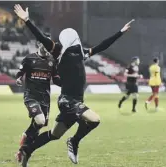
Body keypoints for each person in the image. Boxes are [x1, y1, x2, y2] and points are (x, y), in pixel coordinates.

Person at [14, 4, 133, 167]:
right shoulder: (59, 52)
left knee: (53, 135)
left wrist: (120, 33)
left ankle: (27, 150)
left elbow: (102, 46)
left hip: (73, 101)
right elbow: (41, 37)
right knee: (95, 120)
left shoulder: (81, 52)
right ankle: (74, 141)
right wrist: (27, 20)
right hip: (68, 101)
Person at [15, 38, 61, 163]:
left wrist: (68, 84)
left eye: (50, 47)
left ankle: (23, 151)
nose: (48, 49)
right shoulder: (29, 59)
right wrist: (19, 79)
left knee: (38, 127)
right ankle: (26, 136)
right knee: (40, 121)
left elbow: (56, 79)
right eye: (46, 45)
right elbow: (20, 72)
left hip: (45, 99)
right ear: (39, 44)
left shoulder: (52, 61)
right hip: (31, 96)